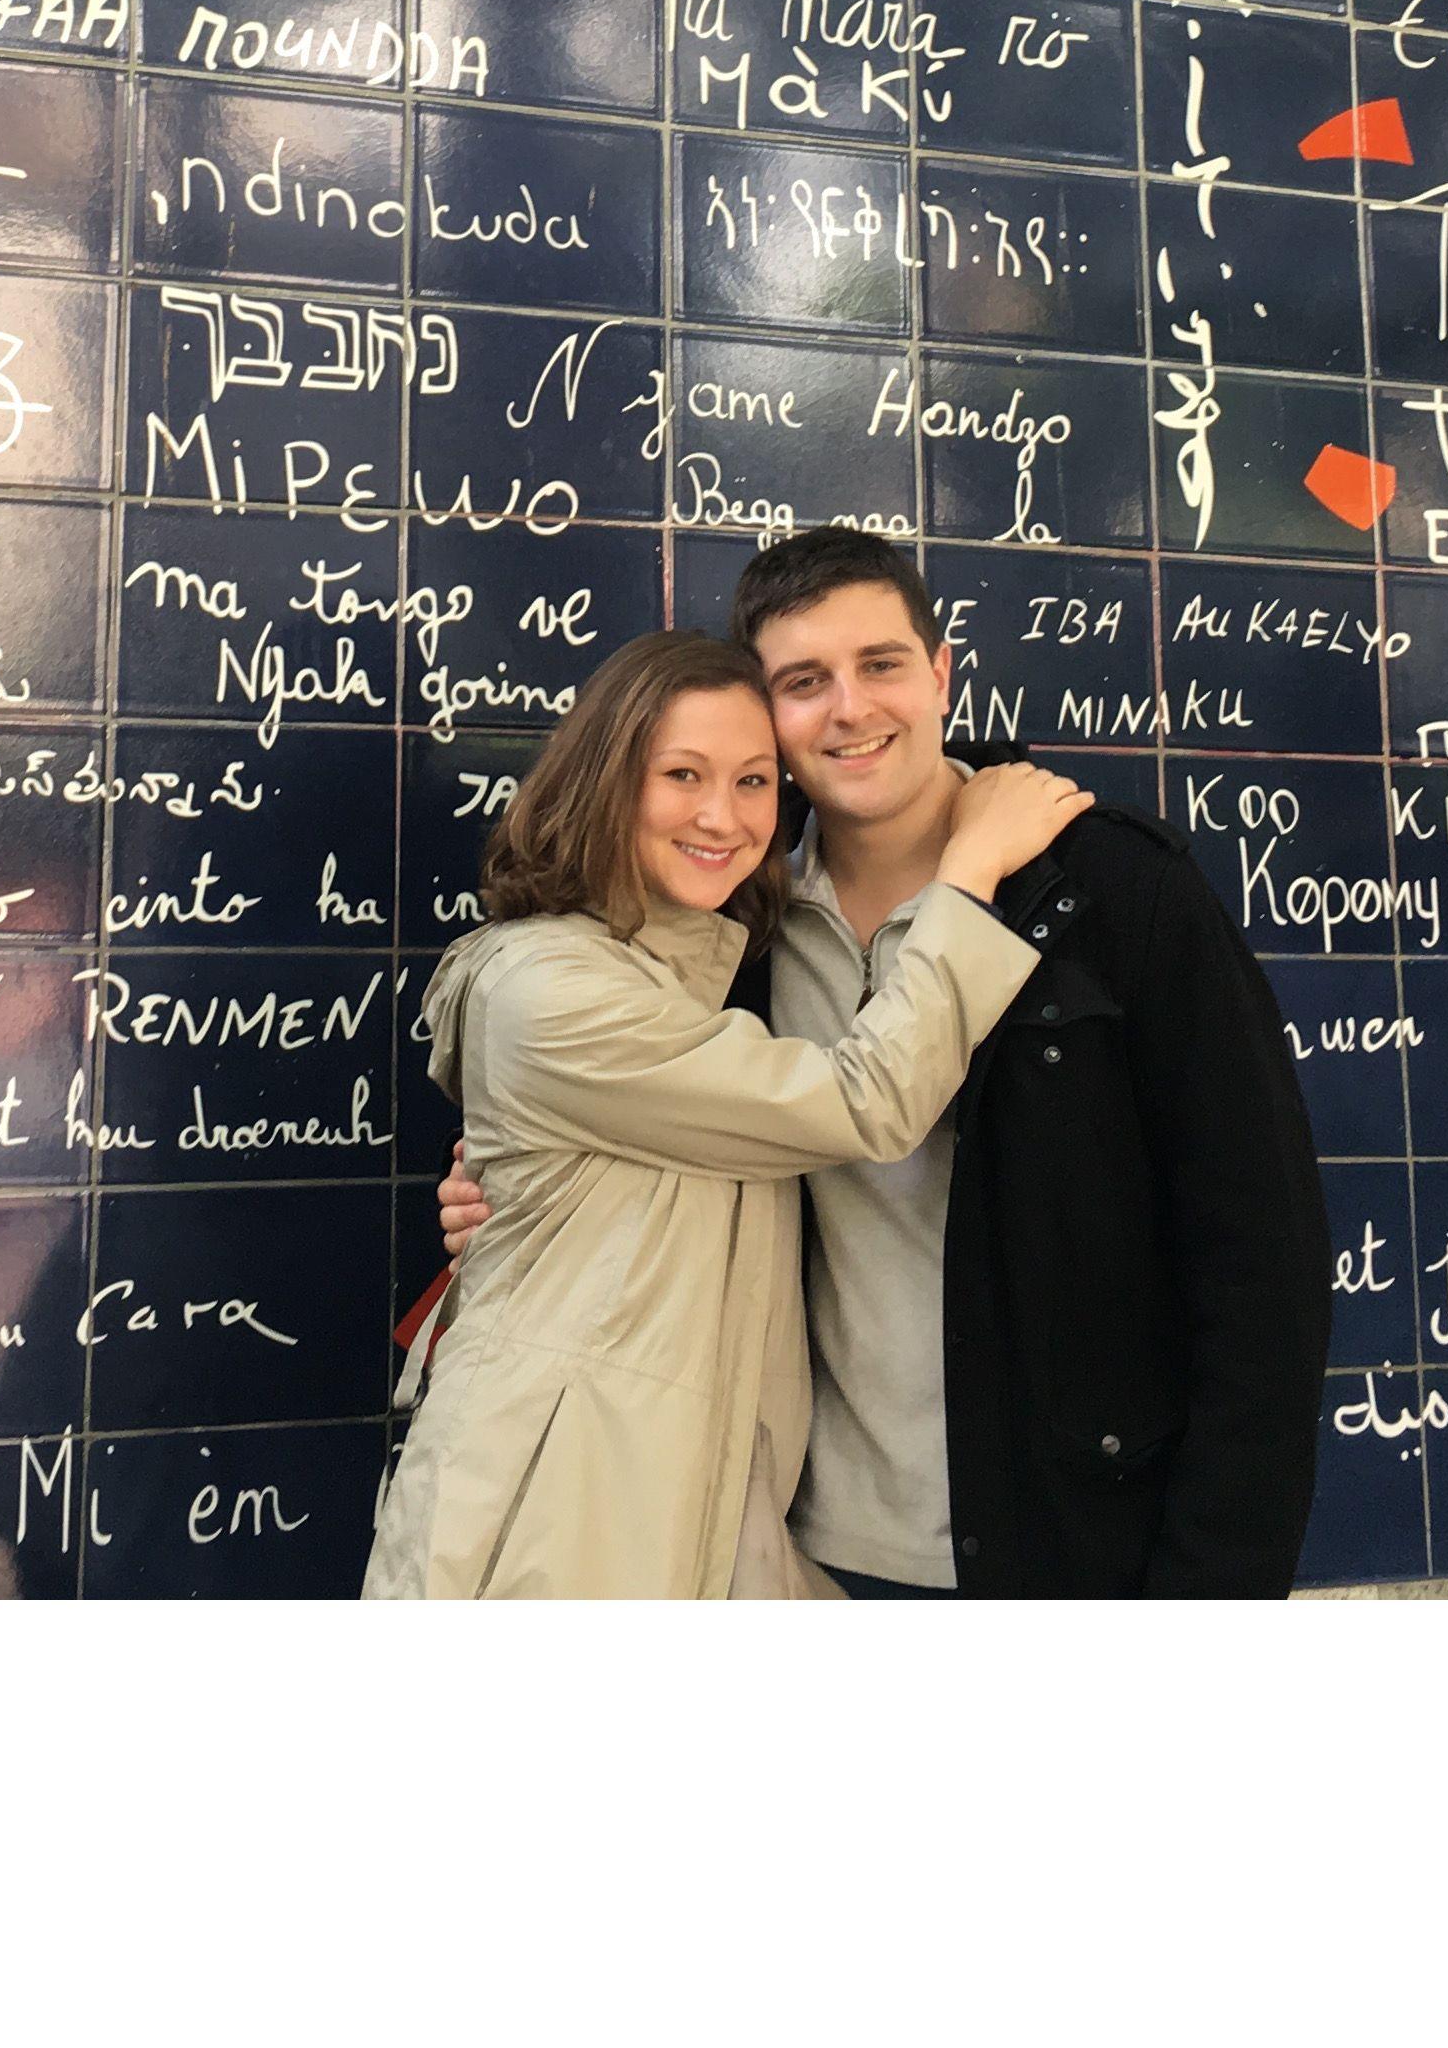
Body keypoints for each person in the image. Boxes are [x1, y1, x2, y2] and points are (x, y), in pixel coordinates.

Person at [438, 527, 1332, 1596]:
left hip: (1076, 1544)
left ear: (941, 672)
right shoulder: (734, 933)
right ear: (764, 715)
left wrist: (1216, 1588)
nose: (850, 710)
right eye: (804, 682)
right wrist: (527, 1190)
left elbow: (1261, 1261)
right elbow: (672, 1139)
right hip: (796, 1549)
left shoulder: (1114, 893)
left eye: (881, 665)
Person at [362, 627, 1093, 1600]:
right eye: (682, 774)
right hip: (546, 1530)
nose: (724, 815)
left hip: (682, 1509)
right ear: (603, 781)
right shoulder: (552, 991)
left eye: (755, 781)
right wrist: (968, 872)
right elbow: (867, 1102)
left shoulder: (691, 980)